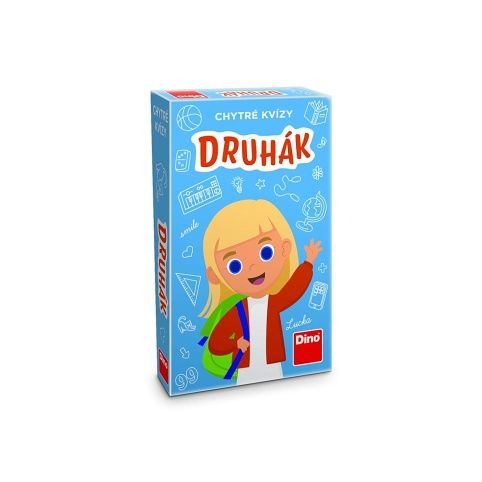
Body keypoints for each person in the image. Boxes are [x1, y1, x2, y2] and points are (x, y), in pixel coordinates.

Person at [199, 199, 322, 385]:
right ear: (215, 275)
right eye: (235, 265)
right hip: (245, 369)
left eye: (266, 252)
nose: (253, 267)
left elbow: (293, 290)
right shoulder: (238, 310)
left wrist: (308, 263)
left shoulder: (273, 303)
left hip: (273, 366)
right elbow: (216, 342)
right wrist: (235, 344)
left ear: (284, 249)